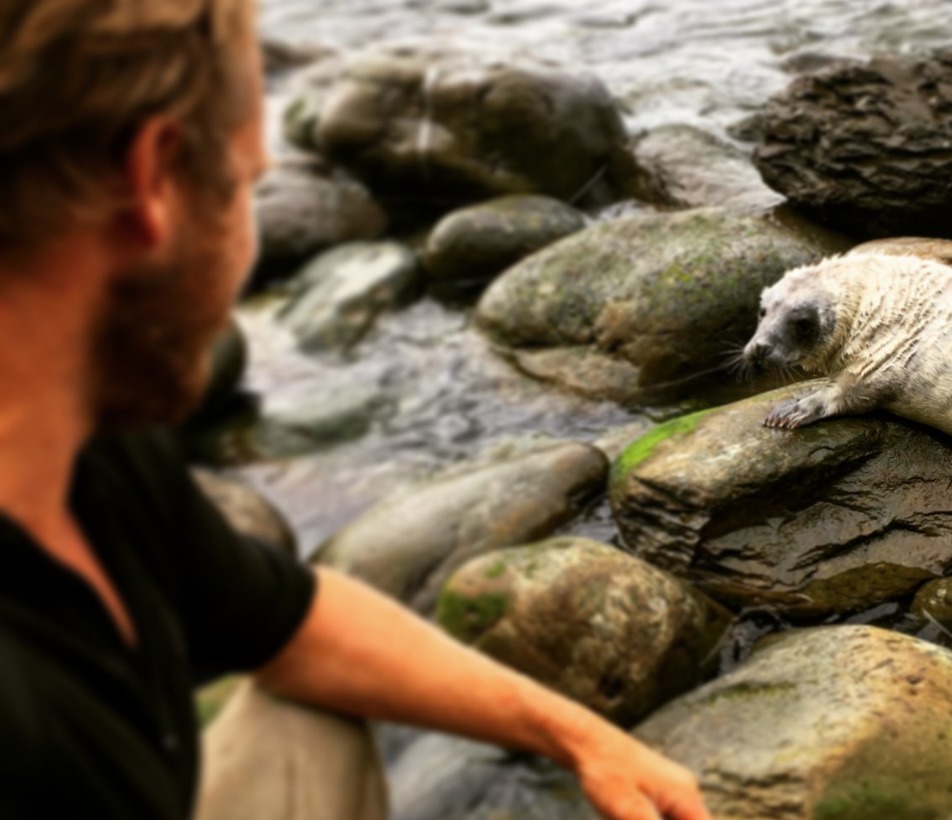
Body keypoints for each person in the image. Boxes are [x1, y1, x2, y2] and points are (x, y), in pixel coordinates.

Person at [0, 2, 711, 819]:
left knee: (309, 714)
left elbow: (288, 622)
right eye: (241, 184)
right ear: (150, 179)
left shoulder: (88, 441)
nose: (244, 242)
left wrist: (583, 737)